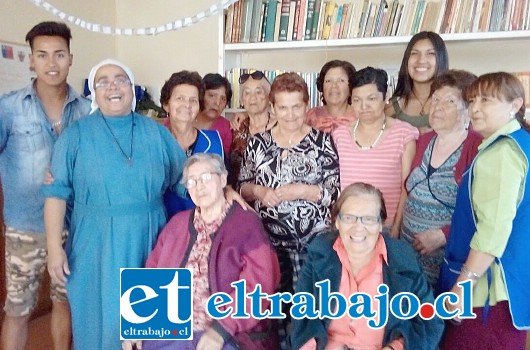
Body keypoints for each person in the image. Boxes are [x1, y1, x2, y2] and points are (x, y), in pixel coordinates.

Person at [43, 59, 186, 350]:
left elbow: (187, 179)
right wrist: (54, 248)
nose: (112, 86)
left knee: (152, 324)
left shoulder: (156, 132)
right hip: (94, 243)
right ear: (93, 92)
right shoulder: (75, 135)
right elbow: (56, 194)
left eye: (120, 79)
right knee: (98, 321)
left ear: (132, 89)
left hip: (150, 238)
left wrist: (227, 192)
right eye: (103, 81)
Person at [123, 153, 280, 350]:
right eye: (192, 181)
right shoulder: (177, 225)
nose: (199, 186)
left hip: (225, 333)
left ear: (223, 179)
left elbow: (259, 286)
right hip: (171, 327)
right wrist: (136, 321)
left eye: (206, 177)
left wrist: (221, 329)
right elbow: (152, 273)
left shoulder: (247, 225)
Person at [0, 21, 91, 350]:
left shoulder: (86, 111)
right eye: (43, 55)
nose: (52, 63)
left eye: (59, 55)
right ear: (31, 61)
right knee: (18, 311)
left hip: (74, 228)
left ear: (70, 58)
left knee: (65, 304)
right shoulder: (8, 108)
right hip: (25, 229)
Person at [238, 72, 340, 349]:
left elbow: (335, 192)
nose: (290, 114)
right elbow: (243, 186)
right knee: (277, 312)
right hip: (270, 244)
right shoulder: (258, 144)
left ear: (307, 105)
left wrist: (302, 191)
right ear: (273, 108)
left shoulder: (323, 142)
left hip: (314, 244)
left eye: (297, 106)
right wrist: (260, 192)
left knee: (313, 310)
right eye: (283, 107)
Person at [291, 182, 445, 350]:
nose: (359, 228)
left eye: (369, 219)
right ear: (337, 222)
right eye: (349, 217)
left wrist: (395, 348)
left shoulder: (403, 258)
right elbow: (302, 316)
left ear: (380, 224)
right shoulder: (319, 253)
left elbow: (430, 321)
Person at [440, 72, 530, 349]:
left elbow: (493, 230)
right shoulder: (520, 144)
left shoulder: (501, 154)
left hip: (488, 293)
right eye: (472, 100)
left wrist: (462, 287)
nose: (475, 108)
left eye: (486, 100)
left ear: (515, 105)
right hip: (512, 280)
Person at [401, 70, 482, 287]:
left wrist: (442, 235)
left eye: (450, 101)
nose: (438, 106)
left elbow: (484, 213)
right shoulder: (424, 140)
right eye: (436, 98)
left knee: (438, 318)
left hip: (448, 262)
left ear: (468, 110)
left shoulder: (477, 147)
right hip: (409, 258)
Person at [332, 67, 418, 237]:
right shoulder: (339, 135)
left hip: (386, 227)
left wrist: (396, 229)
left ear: (385, 97)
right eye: (357, 100)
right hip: (349, 228)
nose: (364, 106)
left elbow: (407, 188)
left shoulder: (404, 134)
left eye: (371, 98)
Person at [160, 70, 224, 217]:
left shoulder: (214, 141)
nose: (186, 105)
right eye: (180, 98)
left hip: (204, 227)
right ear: (166, 104)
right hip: (163, 228)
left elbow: (224, 186)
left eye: (193, 100)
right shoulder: (154, 141)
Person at [385, 31, 449, 134]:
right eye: (415, 53)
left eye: (431, 53)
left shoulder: (453, 104)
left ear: (441, 59)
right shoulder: (390, 107)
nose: (422, 60)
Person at [229, 70, 275, 186]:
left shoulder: (281, 126)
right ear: (242, 100)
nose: (252, 98)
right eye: (247, 93)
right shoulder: (236, 127)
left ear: (269, 97)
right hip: (238, 196)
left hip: (273, 196)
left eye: (258, 92)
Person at [305, 59, 356, 132]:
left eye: (341, 80)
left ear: (351, 87)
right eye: (328, 81)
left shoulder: (360, 117)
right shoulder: (311, 116)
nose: (334, 86)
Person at [194, 73, 233, 155]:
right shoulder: (183, 120)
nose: (217, 103)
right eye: (212, 95)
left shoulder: (226, 128)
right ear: (200, 95)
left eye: (223, 99)